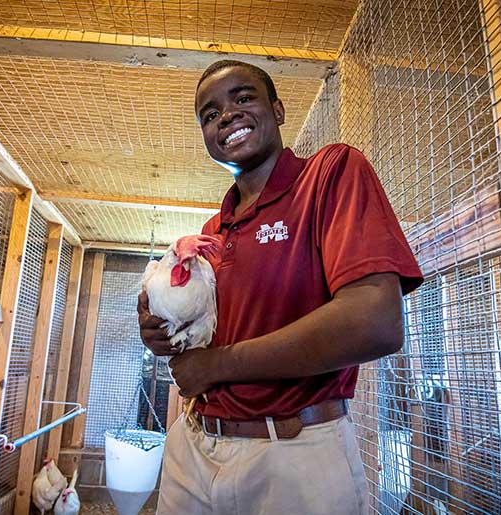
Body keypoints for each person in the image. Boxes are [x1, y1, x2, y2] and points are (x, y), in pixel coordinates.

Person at [137, 59, 423, 515]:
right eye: (209, 115)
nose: (226, 115)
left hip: (292, 456)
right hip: (192, 447)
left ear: (279, 109)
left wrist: (216, 365)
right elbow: (206, 338)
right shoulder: (214, 229)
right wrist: (161, 331)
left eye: (243, 98)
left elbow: (376, 322)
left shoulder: (330, 174)